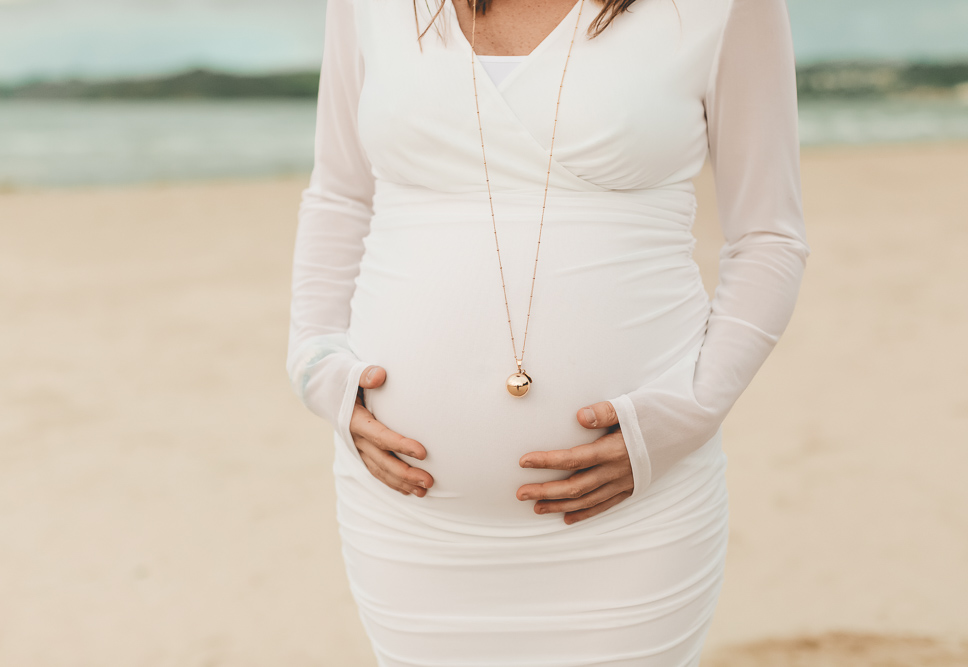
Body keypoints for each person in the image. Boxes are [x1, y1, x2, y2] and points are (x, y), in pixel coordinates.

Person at [285, 0, 809, 663]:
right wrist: (315, 367)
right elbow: (338, 195)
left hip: (634, 522)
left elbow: (769, 236)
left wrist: (690, 413)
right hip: (410, 522)